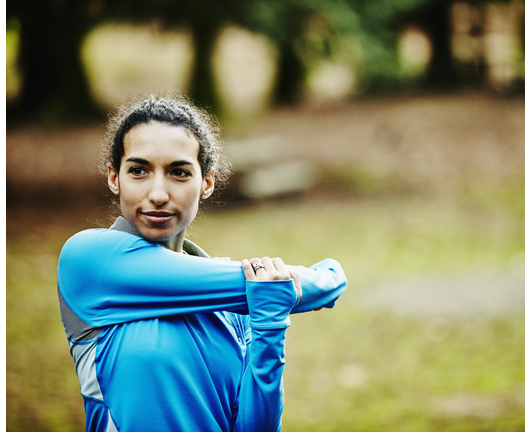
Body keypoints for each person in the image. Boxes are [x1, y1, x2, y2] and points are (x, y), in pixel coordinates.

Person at [56, 93, 347, 432]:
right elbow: (320, 286)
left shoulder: (235, 310)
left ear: (206, 182)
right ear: (114, 177)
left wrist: (268, 324)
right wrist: (327, 277)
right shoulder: (89, 260)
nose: (159, 193)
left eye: (179, 172)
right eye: (138, 170)